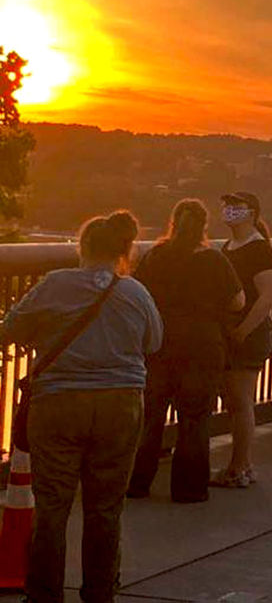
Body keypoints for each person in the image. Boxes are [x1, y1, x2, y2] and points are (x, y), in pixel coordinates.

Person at [0, 211, 163, 603]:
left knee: (53, 506)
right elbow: (154, 342)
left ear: (82, 247)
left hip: (59, 402)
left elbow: (10, 330)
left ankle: (44, 594)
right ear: (124, 250)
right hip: (120, 404)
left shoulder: (55, 285)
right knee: (105, 507)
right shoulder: (136, 293)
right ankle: (99, 592)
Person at [129, 200, 244, 503]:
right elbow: (238, 302)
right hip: (202, 345)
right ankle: (189, 488)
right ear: (204, 227)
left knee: (150, 416)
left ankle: (137, 482)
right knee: (194, 418)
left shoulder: (155, 257)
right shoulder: (215, 261)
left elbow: (137, 294)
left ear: (173, 222)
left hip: (160, 344)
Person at [212, 192, 272, 489]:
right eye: (227, 206)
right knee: (236, 402)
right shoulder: (229, 246)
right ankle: (244, 464)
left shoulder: (259, 249)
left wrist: (242, 331)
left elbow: (268, 297)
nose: (228, 211)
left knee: (240, 402)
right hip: (231, 333)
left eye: (236, 207)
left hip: (247, 335)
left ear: (252, 213)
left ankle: (238, 467)